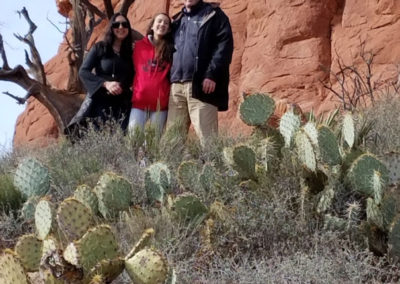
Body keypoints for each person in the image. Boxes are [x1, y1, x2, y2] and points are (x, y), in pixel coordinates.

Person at [165, 0, 234, 144]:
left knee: (208, 140)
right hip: (176, 87)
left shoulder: (214, 15)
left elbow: (224, 47)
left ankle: (213, 166)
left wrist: (211, 75)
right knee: (172, 141)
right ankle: (173, 166)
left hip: (201, 86)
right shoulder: (177, 20)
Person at [65, 13, 134, 136]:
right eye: (116, 24)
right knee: (98, 137)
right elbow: (83, 71)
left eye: (125, 24)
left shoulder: (130, 53)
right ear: (111, 28)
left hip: (122, 105)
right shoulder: (100, 47)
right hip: (100, 103)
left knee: (121, 140)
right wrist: (106, 84)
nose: (121, 27)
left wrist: (121, 86)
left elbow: (132, 77)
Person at [128, 13, 174, 134]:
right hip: (139, 102)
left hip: (160, 106)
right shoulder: (138, 46)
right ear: (152, 26)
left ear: (169, 29)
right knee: (133, 140)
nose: (162, 24)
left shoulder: (171, 50)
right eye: (159, 21)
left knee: (153, 144)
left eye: (166, 23)